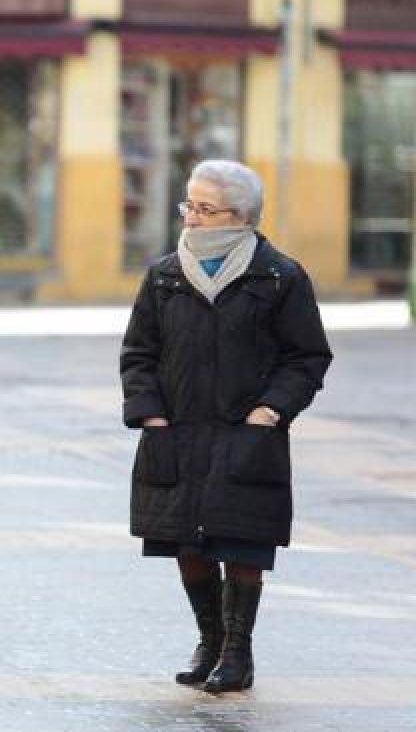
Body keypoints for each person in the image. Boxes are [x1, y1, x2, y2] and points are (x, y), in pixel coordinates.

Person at [119, 160, 332, 693]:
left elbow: (307, 357)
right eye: (187, 205)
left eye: (203, 207)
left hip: (247, 431)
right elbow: (138, 352)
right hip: (178, 431)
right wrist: (150, 412)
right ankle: (209, 641)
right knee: (186, 543)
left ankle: (238, 654)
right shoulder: (164, 275)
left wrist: (270, 411)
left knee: (241, 544)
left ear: (239, 216)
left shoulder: (280, 276)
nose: (190, 216)